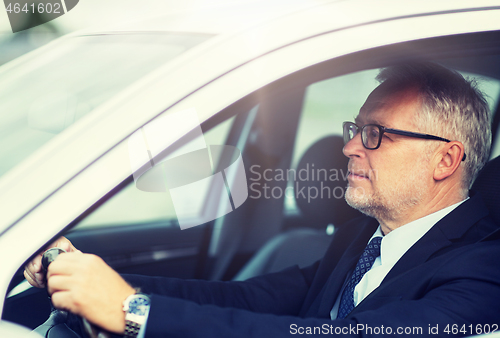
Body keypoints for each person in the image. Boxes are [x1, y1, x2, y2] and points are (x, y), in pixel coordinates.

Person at [25, 62, 500, 337]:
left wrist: (134, 314)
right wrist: (88, 277)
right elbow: (251, 298)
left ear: (445, 160)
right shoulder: (364, 239)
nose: (350, 146)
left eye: (375, 134)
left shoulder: (483, 275)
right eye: (355, 129)